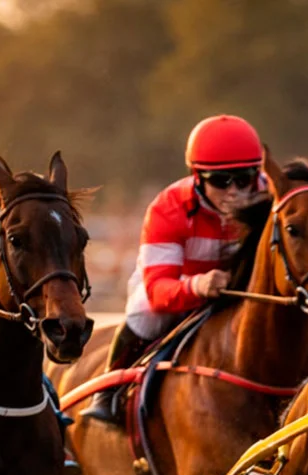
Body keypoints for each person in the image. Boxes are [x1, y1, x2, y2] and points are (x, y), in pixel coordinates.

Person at [81, 115, 268, 424]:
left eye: (244, 178)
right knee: (146, 313)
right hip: (179, 288)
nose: (234, 191)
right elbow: (158, 290)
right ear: (197, 176)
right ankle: (110, 391)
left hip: (244, 293)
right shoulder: (168, 208)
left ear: (257, 174)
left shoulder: (269, 196)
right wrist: (197, 286)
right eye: (221, 181)